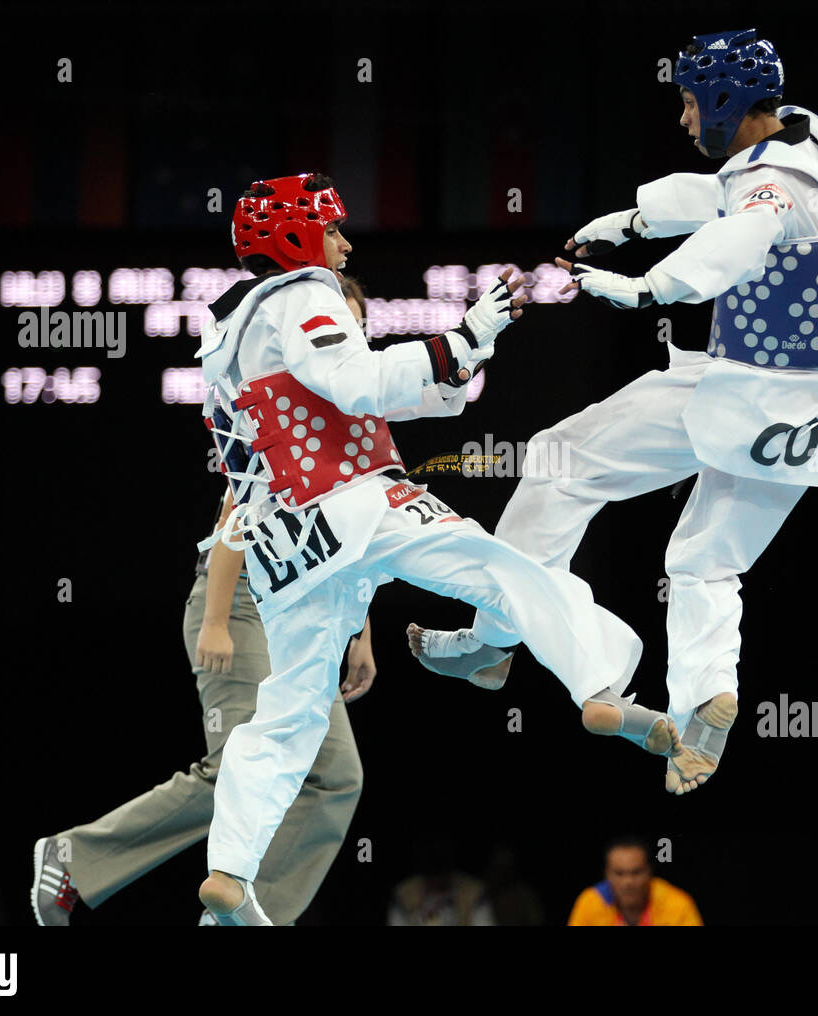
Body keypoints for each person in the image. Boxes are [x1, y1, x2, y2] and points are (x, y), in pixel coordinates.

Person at [195, 173, 701, 924]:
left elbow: (379, 393)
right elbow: (360, 380)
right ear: (296, 238)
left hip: (286, 547)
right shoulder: (300, 293)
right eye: (333, 230)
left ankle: (229, 872)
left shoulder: (225, 332)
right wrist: (461, 337)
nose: (346, 244)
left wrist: (473, 340)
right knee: (505, 572)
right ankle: (597, 689)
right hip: (354, 502)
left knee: (290, 711)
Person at [409, 27, 818, 795]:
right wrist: (630, 220)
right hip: (816, 408)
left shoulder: (775, 191)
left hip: (740, 393)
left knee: (559, 464)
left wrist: (643, 287)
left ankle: (494, 639)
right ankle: (704, 706)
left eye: (692, 103)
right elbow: (726, 194)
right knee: (703, 561)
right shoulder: (811, 145)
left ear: (727, 101)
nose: (686, 119)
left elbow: (743, 228)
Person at [30, 489, 371, 927]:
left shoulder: (361, 442)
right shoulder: (285, 423)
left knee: (335, 776)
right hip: (244, 603)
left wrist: (361, 633)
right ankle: (74, 858)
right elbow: (237, 514)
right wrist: (216, 618)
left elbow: (356, 536)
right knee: (236, 768)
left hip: (311, 618)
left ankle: (239, 914)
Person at [568, 836, 702, 926]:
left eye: (636, 872)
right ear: (607, 874)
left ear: (650, 872)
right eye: (619, 873)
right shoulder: (590, 902)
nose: (628, 882)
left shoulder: (676, 903)